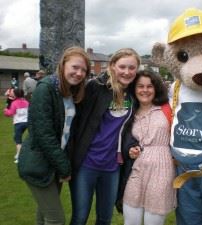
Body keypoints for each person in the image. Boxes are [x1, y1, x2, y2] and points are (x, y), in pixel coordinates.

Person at [17, 46, 90, 225]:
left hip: (53, 165)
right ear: (63, 65)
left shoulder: (68, 92)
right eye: (75, 67)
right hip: (39, 163)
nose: (79, 73)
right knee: (56, 219)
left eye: (83, 70)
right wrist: (64, 167)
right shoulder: (46, 88)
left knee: (44, 216)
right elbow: (45, 135)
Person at [67, 48, 141, 225]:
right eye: (122, 66)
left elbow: (130, 129)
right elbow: (76, 123)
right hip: (86, 164)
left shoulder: (134, 93)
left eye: (132, 68)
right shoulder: (96, 87)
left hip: (112, 167)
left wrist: (132, 145)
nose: (127, 72)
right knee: (80, 217)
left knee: (105, 218)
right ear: (113, 66)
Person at [122, 70, 176, 225]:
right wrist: (130, 149)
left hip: (162, 169)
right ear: (134, 89)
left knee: (153, 221)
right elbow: (124, 139)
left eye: (149, 86)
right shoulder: (130, 111)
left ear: (156, 88)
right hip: (137, 169)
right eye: (140, 86)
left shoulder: (168, 108)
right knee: (130, 219)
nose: (144, 90)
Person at [3, 88, 29, 163]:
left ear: (16, 94)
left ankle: (19, 157)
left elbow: (10, 113)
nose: (12, 93)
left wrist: (5, 111)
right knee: (16, 138)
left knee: (18, 140)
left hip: (18, 123)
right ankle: (18, 153)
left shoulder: (14, 103)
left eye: (13, 92)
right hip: (26, 122)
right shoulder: (26, 102)